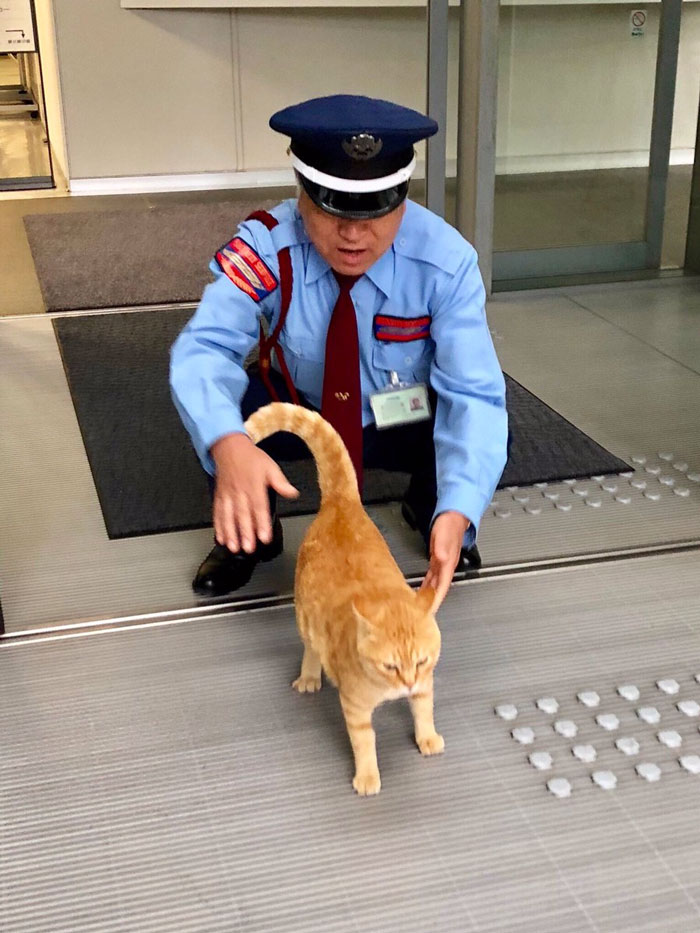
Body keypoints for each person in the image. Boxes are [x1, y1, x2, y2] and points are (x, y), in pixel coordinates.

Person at [170, 94, 508, 609]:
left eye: (376, 208)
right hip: (301, 407)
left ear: (403, 195)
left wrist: (460, 508)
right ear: (300, 191)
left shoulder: (446, 262)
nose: (353, 232)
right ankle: (249, 534)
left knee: (475, 424)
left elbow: (474, 394)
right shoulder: (267, 245)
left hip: (398, 415)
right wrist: (228, 445)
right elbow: (204, 349)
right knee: (224, 415)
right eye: (331, 206)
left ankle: (432, 508)